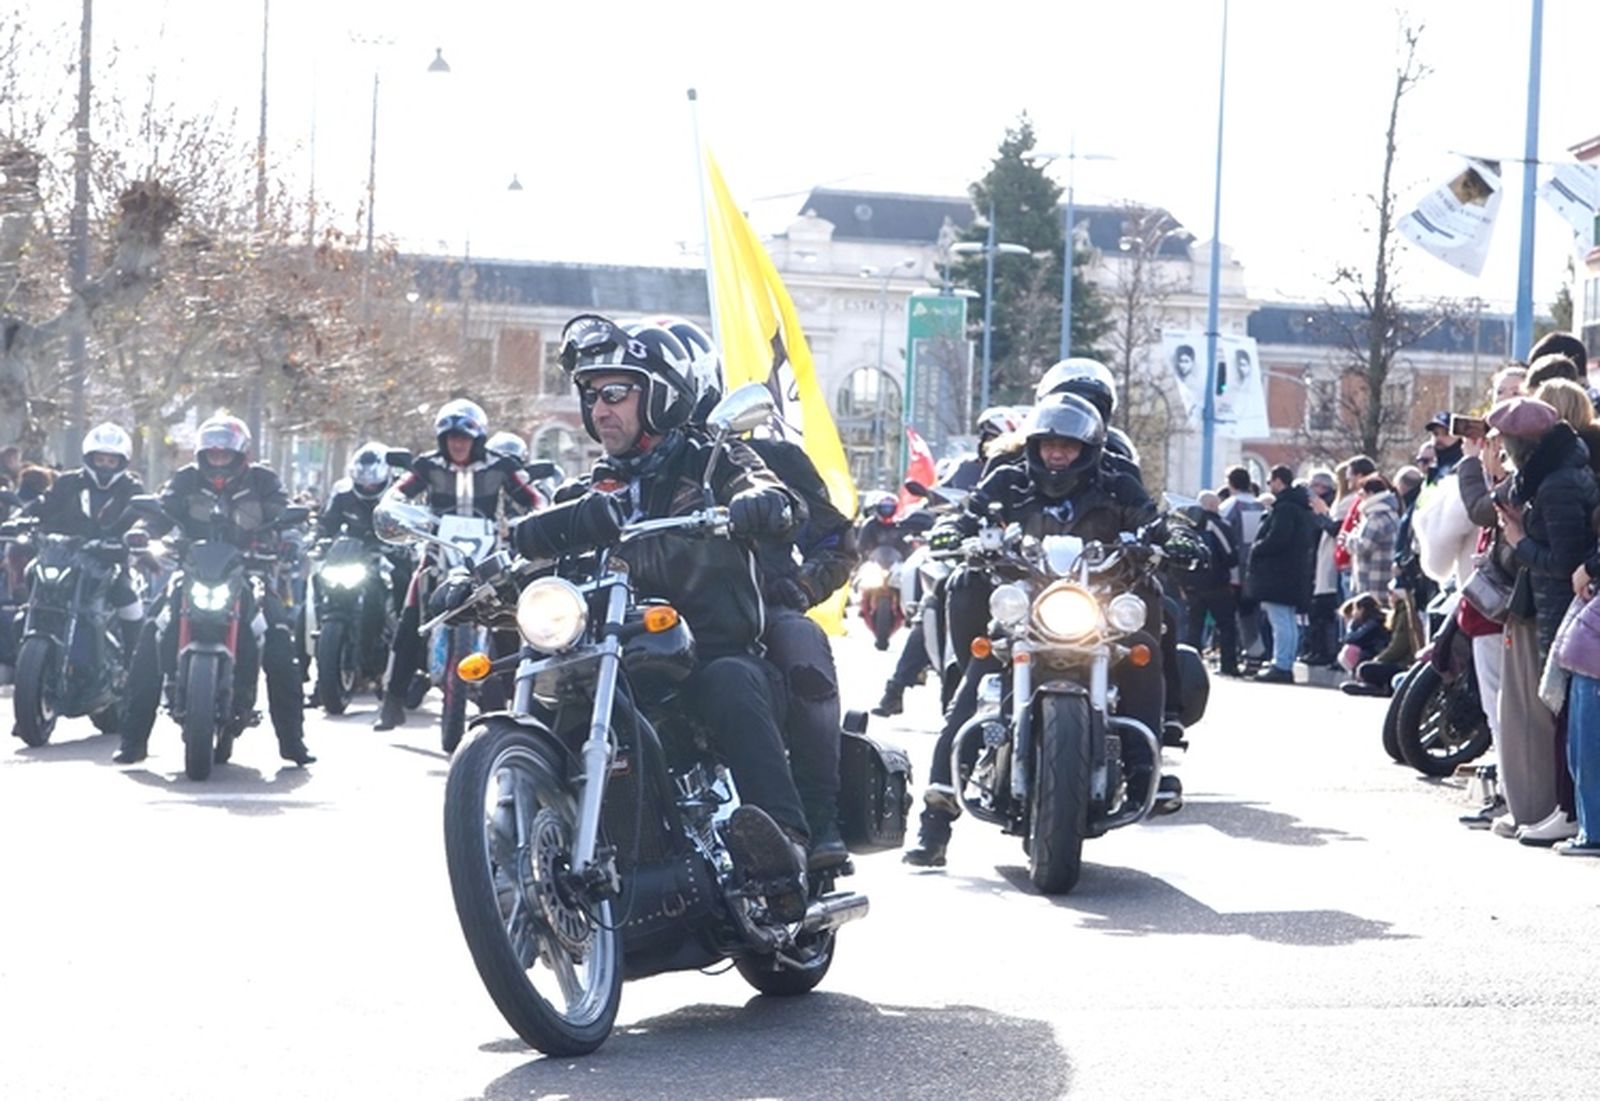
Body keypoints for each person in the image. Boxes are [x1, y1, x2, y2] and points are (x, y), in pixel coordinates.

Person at [527, 312, 813, 903]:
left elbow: (777, 497)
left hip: (710, 654)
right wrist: (474, 577)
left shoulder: (713, 462)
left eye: (615, 392)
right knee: (550, 708)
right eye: (590, 394)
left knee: (732, 682)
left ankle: (784, 849)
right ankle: (519, 864)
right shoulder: (583, 495)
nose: (600, 408)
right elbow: (529, 559)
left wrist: (761, 503)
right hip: (615, 662)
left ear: (660, 395)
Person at [903, 395, 1169, 867]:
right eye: (1048, 445)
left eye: (1067, 446)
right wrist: (955, 530)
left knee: (1144, 651)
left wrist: (1168, 537)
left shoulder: (1118, 483)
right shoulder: (1008, 479)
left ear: (1087, 448)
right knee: (972, 688)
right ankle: (935, 820)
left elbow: (1151, 520)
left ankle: (1148, 764)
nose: (1056, 455)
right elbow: (973, 514)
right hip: (1027, 608)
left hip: (1095, 608)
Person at [674, 314, 858, 871]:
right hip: (661, 616)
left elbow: (835, 538)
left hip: (758, 606)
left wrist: (802, 585)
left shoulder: (769, 461)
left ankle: (817, 817)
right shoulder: (623, 473)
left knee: (802, 650)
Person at [114, 415, 314, 766]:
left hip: (250, 572)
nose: (218, 462)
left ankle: (292, 741)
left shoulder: (262, 480)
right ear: (202, 455)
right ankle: (133, 740)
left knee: (281, 643)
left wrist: (290, 539)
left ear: (240, 456)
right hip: (192, 573)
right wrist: (143, 530)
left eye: (225, 455)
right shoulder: (186, 479)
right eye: (213, 455)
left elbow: (283, 514)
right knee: (150, 635)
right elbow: (162, 510)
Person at [372, 399, 544, 730]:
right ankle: (392, 701)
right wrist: (394, 508)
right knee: (410, 620)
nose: (458, 443)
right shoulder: (427, 466)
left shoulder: (501, 466)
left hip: (488, 558)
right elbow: (397, 493)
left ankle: (517, 702)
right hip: (438, 554)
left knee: (512, 620)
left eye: (464, 438)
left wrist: (537, 514)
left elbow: (532, 496)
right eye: (451, 438)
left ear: (478, 440)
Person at [1487, 397, 1599, 845]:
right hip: (1555, 605)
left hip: (1560, 606)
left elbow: (1565, 561)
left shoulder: (1556, 483)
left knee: (1567, 716)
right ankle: (1567, 809)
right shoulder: (1555, 472)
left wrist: (1518, 540)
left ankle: (1569, 810)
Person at [19, 423, 147, 656]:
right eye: (100, 460)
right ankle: (29, 623)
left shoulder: (131, 487)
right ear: (89, 458)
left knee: (127, 596)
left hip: (109, 560)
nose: (105, 466)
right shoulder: (68, 482)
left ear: (122, 462)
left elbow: (140, 516)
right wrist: (21, 519)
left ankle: (133, 660)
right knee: (31, 572)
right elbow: (43, 504)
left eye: (111, 461)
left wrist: (134, 535)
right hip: (63, 557)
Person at [1244, 465, 1318, 684]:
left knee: (1280, 620)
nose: (1269, 486)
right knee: (1287, 619)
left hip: (1279, 573)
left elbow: (1278, 537)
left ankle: (1282, 664)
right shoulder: (1301, 507)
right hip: (1294, 572)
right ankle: (1284, 661)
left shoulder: (1285, 508)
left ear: (1278, 481)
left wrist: (1257, 548)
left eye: (1270, 481)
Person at [1178, 492, 1241, 677]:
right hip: (1216, 584)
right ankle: (1229, 666)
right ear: (1214, 505)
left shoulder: (1184, 525)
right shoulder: (1218, 525)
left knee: (1193, 627)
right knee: (1226, 625)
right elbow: (1231, 556)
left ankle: (1189, 669)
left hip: (1191, 584)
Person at [1422, 413, 1464, 482]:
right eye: (1435, 433)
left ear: (1458, 436)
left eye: (1446, 433)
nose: (1439, 437)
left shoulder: (1464, 465)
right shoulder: (1432, 467)